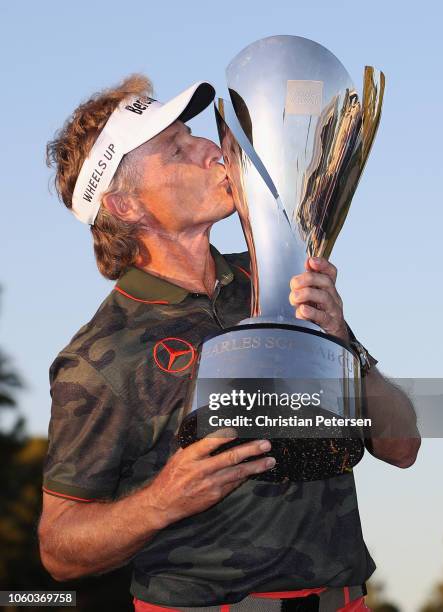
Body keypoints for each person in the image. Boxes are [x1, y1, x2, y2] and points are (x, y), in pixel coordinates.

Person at [38, 74, 420, 612]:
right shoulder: (101, 356)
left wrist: (343, 343)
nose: (211, 149)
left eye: (195, 135)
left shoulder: (281, 281)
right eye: (176, 149)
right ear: (125, 205)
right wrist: (162, 501)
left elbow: (402, 447)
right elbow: (59, 550)